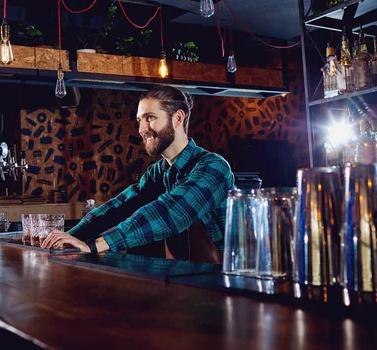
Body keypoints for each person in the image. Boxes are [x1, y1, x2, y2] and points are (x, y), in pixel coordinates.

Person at [42, 85, 234, 262]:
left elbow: (171, 211)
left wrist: (94, 245)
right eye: (139, 120)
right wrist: (69, 238)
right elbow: (119, 206)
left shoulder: (213, 167)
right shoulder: (158, 172)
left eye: (150, 118)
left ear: (177, 118)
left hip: (225, 282)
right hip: (187, 281)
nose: (142, 129)